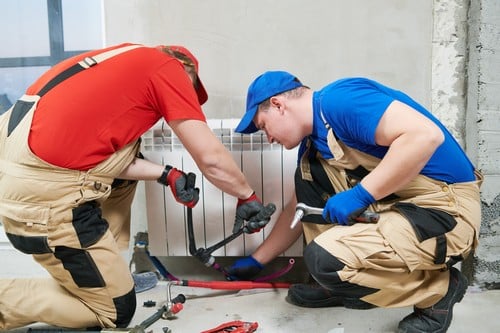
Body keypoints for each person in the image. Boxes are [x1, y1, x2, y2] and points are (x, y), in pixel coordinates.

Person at [0, 43, 273, 330]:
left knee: (127, 167)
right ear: (185, 70)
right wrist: (246, 196)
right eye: (188, 90)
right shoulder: (167, 69)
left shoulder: (116, 62)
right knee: (116, 311)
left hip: (24, 184)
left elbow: (95, 155)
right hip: (47, 203)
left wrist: (167, 175)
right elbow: (211, 160)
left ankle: (108, 277)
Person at [229, 70, 482, 333]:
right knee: (308, 173)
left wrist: (361, 195)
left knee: (324, 260)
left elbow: (424, 136)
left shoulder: (340, 101)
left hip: (446, 210)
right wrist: (258, 261)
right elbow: (298, 210)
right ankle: (335, 283)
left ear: (278, 105)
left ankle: (438, 291)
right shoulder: (314, 144)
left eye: (262, 126)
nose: (268, 137)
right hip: (401, 203)